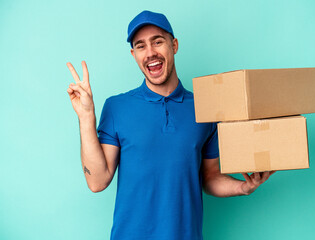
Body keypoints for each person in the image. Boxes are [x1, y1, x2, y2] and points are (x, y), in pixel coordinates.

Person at [66, 10, 275, 240]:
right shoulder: (117, 107)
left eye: (158, 41)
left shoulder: (206, 108)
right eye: (141, 46)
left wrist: (242, 188)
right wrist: (86, 117)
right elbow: (97, 181)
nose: (150, 53)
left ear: (174, 45)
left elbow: (210, 176)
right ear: (133, 54)